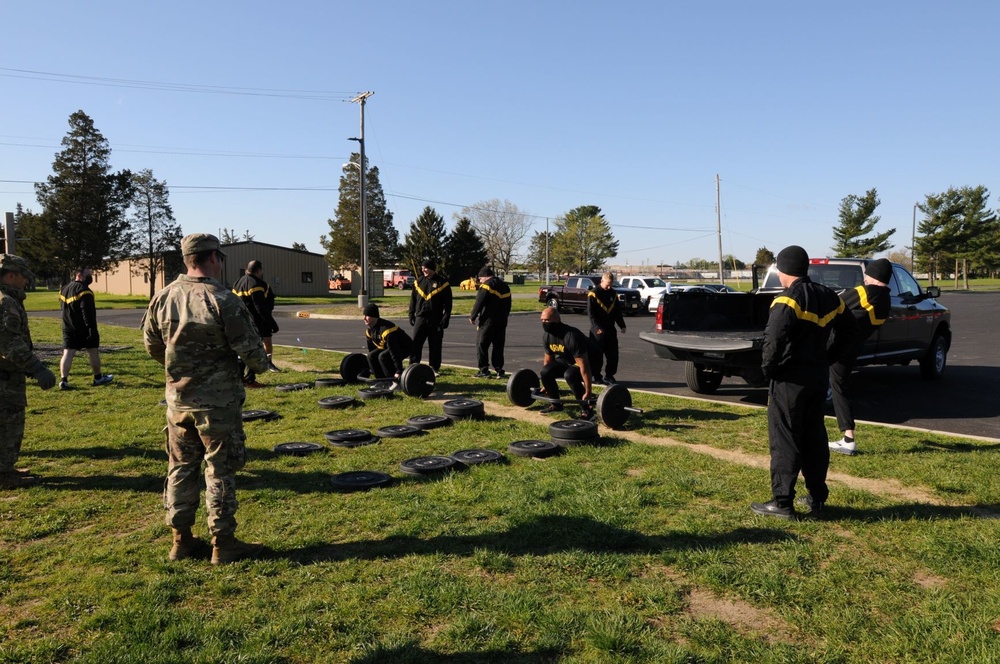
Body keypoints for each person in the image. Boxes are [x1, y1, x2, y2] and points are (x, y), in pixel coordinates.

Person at [142, 234, 270, 564]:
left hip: (179, 402)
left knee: (181, 468)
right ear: (212, 257)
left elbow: (153, 345)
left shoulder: (164, 297)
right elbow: (253, 353)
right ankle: (223, 543)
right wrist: (253, 367)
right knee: (220, 471)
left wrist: (180, 370)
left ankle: (181, 540)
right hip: (218, 405)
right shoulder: (223, 299)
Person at [751, 245, 858, 518]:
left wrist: (767, 371)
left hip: (789, 381)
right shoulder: (831, 298)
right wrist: (829, 356)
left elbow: (773, 340)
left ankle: (783, 502)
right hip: (817, 377)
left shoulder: (787, 300)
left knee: (785, 439)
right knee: (814, 439)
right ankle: (817, 497)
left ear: (782, 270)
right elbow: (850, 331)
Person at [0, 254, 57, 488]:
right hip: (4, 379)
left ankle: (5, 469)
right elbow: (8, 343)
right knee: (8, 424)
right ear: (11, 275)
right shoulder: (6, 302)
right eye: (23, 276)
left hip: (7, 375)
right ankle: (3, 475)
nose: (26, 281)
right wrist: (37, 368)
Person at [828, 258, 892, 456]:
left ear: (873, 276)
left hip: (836, 345)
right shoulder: (886, 299)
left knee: (834, 386)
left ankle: (847, 439)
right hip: (854, 346)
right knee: (840, 387)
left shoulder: (866, 292)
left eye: (867, 275)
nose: (864, 279)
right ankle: (847, 437)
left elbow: (834, 303)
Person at [538, 307, 598, 421]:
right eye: (542, 320)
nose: (543, 323)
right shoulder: (547, 336)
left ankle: (587, 410)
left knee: (570, 375)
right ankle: (556, 404)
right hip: (568, 360)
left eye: (546, 320)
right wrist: (546, 384)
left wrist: (588, 391)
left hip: (591, 361)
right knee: (545, 372)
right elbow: (548, 360)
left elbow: (584, 364)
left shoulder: (571, 336)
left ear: (556, 319)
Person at [58, 267, 114, 390]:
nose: (90, 276)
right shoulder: (84, 291)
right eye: (88, 274)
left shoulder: (64, 289)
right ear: (79, 275)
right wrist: (91, 329)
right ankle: (98, 377)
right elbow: (87, 312)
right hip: (84, 328)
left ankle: (64, 380)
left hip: (68, 327)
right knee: (93, 350)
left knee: (68, 353)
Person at [232, 260, 280, 387]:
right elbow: (260, 307)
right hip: (254, 323)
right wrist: (271, 323)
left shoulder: (238, 283)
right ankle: (249, 380)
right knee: (253, 351)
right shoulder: (256, 284)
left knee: (242, 351)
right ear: (258, 270)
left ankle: (239, 379)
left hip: (239, 321)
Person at [408, 259, 452, 376]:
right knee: (416, 343)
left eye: (425, 268)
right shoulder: (418, 282)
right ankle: (413, 366)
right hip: (420, 318)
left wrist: (446, 317)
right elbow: (413, 300)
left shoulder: (443, 283)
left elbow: (448, 303)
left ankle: (434, 368)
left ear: (432, 269)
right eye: (422, 268)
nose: (423, 270)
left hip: (435, 319)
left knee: (435, 345)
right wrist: (411, 314)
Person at [469, 266, 511, 379]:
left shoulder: (486, 285)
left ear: (485, 277)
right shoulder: (505, 286)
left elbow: (479, 302)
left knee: (481, 344)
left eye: (480, 279)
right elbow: (508, 305)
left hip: (488, 321)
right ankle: (499, 370)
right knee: (498, 346)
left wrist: (473, 316)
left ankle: (484, 370)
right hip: (502, 321)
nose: (480, 281)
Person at [587, 271, 627, 385]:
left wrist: (622, 325)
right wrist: (596, 327)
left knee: (613, 354)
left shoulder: (613, 293)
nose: (609, 287)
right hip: (598, 331)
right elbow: (591, 314)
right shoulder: (593, 294)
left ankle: (609, 375)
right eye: (607, 284)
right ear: (602, 281)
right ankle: (597, 376)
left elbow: (617, 312)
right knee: (597, 355)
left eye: (611, 284)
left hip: (610, 329)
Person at [364, 302, 413, 387]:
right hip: (389, 347)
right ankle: (381, 381)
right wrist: (374, 367)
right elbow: (372, 350)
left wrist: (399, 371)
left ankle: (394, 382)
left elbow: (394, 352)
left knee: (383, 357)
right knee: (371, 356)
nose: (364, 318)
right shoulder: (369, 331)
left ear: (375, 317)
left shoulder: (387, 330)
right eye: (364, 315)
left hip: (405, 347)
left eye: (367, 316)